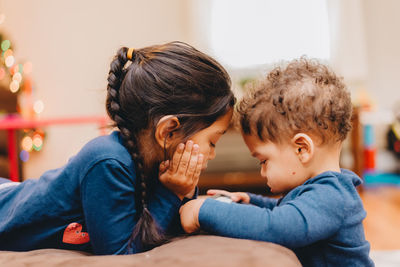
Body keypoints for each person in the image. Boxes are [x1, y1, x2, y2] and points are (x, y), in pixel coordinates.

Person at [0, 41, 235, 255]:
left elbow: (169, 223)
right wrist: (173, 193)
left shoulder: (158, 165)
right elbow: (120, 254)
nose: (212, 154)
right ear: (168, 131)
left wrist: (185, 193)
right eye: (212, 142)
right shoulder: (108, 162)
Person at [179, 58, 374, 266]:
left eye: (263, 161)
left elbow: (279, 226)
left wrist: (205, 211)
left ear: (302, 149)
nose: (263, 172)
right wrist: (250, 200)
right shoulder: (323, 192)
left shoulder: (332, 197)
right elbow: (286, 208)